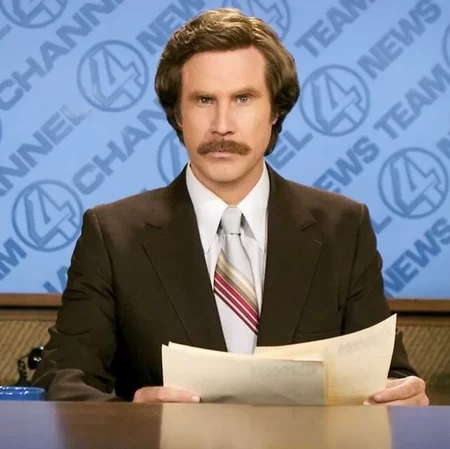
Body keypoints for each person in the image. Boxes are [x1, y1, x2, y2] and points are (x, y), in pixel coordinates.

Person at [32, 8, 428, 406]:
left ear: (275, 111)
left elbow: (389, 375)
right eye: (204, 100)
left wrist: (401, 399)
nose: (222, 125)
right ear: (178, 114)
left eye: (243, 98)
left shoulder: (344, 228)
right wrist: (136, 420)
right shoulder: (113, 236)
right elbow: (62, 380)